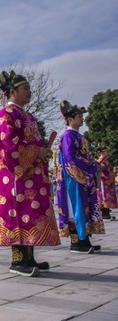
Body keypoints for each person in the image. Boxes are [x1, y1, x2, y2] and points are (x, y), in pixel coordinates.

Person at [0, 70, 60, 276]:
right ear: (12, 91)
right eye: (25, 88)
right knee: (18, 212)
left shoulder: (28, 115)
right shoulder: (6, 114)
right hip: (15, 175)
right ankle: (18, 261)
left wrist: (43, 151)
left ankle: (29, 257)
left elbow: (33, 143)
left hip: (31, 172)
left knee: (30, 213)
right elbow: (10, 147)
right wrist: (37, 151)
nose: (30, 91)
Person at [56, 100, 104, 253]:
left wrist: (92, 165)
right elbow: (71, 158)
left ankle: (85, 239)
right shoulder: (68, 136)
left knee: (85, 208)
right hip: (74, 178)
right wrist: (90, 165)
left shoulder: (77, 135)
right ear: (70, 119)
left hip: (82, 177)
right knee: (76, 208)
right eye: (79, 116)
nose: (82, 119)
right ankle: (77, 242)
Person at [97, 147, 116, 221]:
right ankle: (104, 213)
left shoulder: (106, 161)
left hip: (109, 181)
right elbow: (99, 171)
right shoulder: (100, 161)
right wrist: (106, 178)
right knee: (103, 197)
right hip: (103, 181)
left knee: (108, 197)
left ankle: (107, 212)